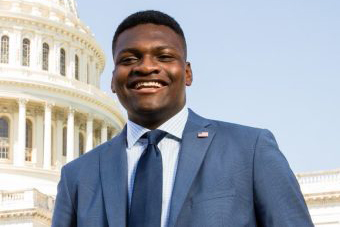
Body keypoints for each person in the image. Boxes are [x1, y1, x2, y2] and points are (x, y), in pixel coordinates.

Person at [52, 10, 313, 227]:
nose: (145, 67)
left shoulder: (250, 150)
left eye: (164, 56)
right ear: (112, 80)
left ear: (187, 73)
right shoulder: (77, 177)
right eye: (130, 59)